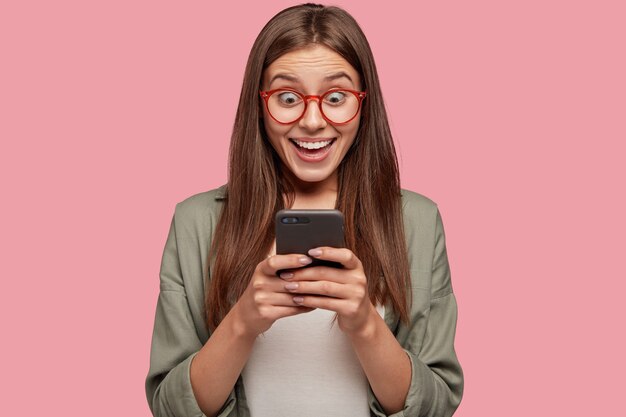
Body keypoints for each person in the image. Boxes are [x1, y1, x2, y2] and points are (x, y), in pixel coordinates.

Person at [145, 3, 463, 417]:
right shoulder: (195, 222)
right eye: (288, 96)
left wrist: (365, 324)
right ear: (259, 105)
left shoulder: (417, 222)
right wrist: (243, 321)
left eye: (336, 96)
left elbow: (437, 406)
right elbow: (170, 409)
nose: (313, 120)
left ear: (363, 104)